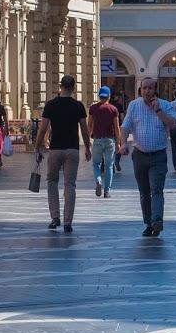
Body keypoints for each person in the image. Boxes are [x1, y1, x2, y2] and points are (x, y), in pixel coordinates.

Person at [123, 76, 176, 236]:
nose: (147, 91)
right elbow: (126, 126)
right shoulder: (134, 105)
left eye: (150, 88)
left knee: (157, 189)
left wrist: (158, 110)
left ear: (156, 90)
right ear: (140, 90)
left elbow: (173, 124)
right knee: (144, 192)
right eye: (144, 88)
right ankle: (148, 223)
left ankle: (157, 220)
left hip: (158, 156)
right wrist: (123, 143)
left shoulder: (166, 105)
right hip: (139, 155)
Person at [37, 74, 90, 233]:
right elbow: (84, 129)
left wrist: (38, 145)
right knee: (70, 184)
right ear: (73, 88)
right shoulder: (78, 106)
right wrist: (87, 148)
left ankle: (55, 217)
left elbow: (43, 128)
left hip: (55, 149)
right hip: (72, 150)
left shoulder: (51, 105)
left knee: (52, 181)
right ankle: (68, 222)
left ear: (60, 86)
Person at [89, 85, 124, 198]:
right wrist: (118, 142)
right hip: (110, 140)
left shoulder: (93, 108)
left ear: (99, 96)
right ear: (109, 96)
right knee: (109, 166)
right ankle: (107, 191)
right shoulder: (113, 109)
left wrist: (87, 139)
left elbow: (90, 124)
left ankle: (98, 180)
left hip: (97, 139)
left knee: (96, 164)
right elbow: (117, 126)